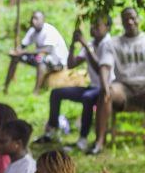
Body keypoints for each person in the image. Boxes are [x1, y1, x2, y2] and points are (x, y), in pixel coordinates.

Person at [38, 16, 114, 153]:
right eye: (92, 26)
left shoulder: (109, 44)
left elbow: (100, 68)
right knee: (56, 93)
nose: (93, 29)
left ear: (107, 27)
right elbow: (72, 64)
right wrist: (73, 44)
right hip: (92, 87)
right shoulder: (91, 44)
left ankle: (83, 138)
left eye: (97, 26)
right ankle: (52, 130)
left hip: (107, 88)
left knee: (88, 97)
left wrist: (85, 46)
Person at [106, 8, 145, 128]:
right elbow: (105, 65)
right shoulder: (114, 43)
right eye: (126, 19)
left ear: (138, 19)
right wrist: (105, 86)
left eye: (133, 18)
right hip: (123, 87)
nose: (130, 22)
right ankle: (100, 140)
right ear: (122, 22)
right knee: (107, 92)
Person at [3, 11, 68, 94]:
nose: (33, 21)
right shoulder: (32, 30)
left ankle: (36, 91)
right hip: (41, 57)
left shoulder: (49, 31)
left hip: (56, 62)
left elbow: (47, 50)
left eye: (36, 19)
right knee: (16, 57)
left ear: (43, 20)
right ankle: (5, 87)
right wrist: (15, 51)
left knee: (40, 59)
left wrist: (25, 52)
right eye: (32, 18)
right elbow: (23, 45)